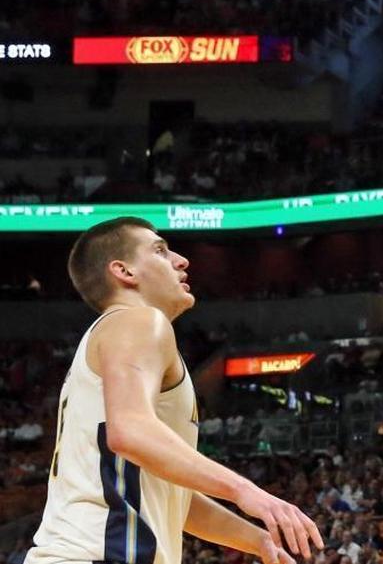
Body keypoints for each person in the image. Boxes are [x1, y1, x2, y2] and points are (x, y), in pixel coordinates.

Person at [26, 218, 322, 564]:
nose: (182, 260)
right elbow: (129, 431)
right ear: (124, 271)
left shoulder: (113, 335)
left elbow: (169, 494)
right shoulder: (138, 320)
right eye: (160, 251)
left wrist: (257, 540)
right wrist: (244, 490)